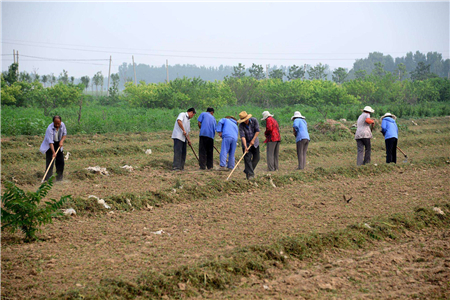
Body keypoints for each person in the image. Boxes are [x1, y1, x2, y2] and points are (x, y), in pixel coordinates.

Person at [40, 115, 67, 181]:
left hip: (58, 143)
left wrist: (61, 141)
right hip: (50, 146)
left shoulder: (62, 125)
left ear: (61, 122)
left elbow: (64, 134)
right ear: (53, 122)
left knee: (61, 161)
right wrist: (53, 152)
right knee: (50, 162)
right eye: (56, 123)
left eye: (58, 123)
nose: (57, 125)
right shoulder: (49, 129)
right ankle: (48, 179)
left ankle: (59, 178)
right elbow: (50, 142)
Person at [237, 111, 260, 180]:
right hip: (246, 143)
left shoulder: (254, 120)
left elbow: (257, 131)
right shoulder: (241, 126)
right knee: (247, 159)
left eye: (245, 120)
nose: (245, 121)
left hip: (255, 142)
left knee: (257, 158)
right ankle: (250, 175)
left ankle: (247, 171)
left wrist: (253, 140)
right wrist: (245, 147)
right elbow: (243, 137)